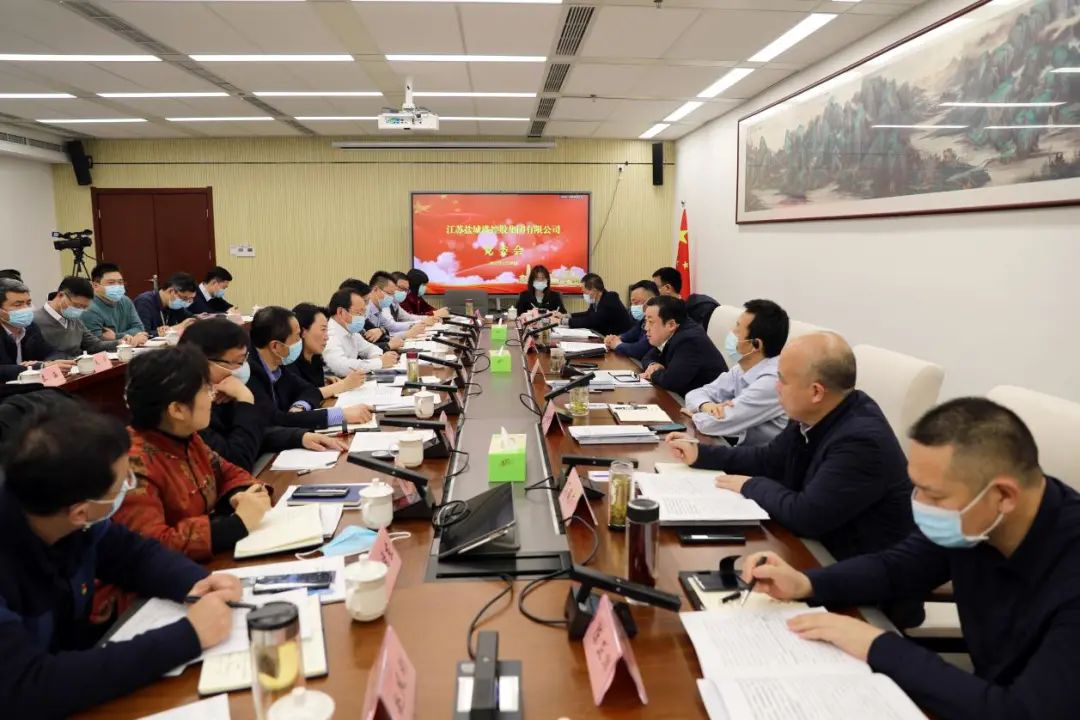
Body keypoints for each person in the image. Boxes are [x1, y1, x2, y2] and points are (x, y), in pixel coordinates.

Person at [742, 398, 1080, 720]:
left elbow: (1021, 713)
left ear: (1003, 495)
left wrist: (877, 645)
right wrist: (806, 582)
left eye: (933, 495)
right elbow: (896, 568)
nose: (919, 503)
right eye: (917, 487)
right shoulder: (979, 519)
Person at [0, 402, 241, 718]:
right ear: (80, 512)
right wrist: (188, 636)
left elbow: (132, 554)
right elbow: (29, 686)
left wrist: (196, 582)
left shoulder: (67, 515)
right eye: (122, 483)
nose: (130, 485)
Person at [666, 332, 913, 573]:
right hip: (811, 550)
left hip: (854, 575)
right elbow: (769, 459)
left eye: (783, 380)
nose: (776, 387)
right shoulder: (812, 414)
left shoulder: (861, 441)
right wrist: (702, 454)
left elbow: (806, 516)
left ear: (816, 392)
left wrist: (750, 485)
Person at [117, 346, 268, 561]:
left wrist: (240, 495)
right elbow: (149, 546)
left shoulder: (185, 436)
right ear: (177, 409)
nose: (212, 396)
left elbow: (228, 472)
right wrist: (234, 525)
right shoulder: (131, 464)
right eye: (206, 390)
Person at [179, 318, 346, 472]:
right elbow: (237, 461)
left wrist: (300, 437)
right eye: (238, 362)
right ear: (203, 362)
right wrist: (245, 400)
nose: (243, 367)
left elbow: (257, 429)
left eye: (244, 360)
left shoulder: (225, 390)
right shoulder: (188, 407)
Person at [682, 299, 789, 446]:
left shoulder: (773, 381)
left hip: (765, 459)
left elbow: (713, 424)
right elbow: (695, 394)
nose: (731, 333)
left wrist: (697, 415)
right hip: (742, 449)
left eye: (737, 329)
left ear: (756, 344)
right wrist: (707, 406)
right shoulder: (741, 368)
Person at [249, 306, 373, 431]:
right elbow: (277, 420)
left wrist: (300, 406)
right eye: (297, 337)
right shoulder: (251, 375)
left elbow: (309, 390)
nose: (300, 341)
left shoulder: (278, 366)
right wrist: (340, 415)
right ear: (276, 346)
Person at [639, 295, 727, 397]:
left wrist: (653, 373)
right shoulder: (674, 331)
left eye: (650, 322)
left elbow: (671, 381)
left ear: (671, 325)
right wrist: (653, 365)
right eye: (646, 321)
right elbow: (647, 357)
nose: (646, 328)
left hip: (711, 402)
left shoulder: (689, 340)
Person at [0, 279, 74, 382]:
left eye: (28, 303)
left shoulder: (30, 327)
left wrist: (51, 363)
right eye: (18, 305)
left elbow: (52, 352)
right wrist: (40, 366)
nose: (26, 308)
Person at [34, 276, 126, 358]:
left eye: (84, 307)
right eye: (76, 305)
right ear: (61, 295)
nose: (79, 310)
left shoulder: (75, 319)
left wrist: (121, 343)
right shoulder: (34, 321)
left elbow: (93, 345)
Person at [291, 302, 368, 397]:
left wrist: (326, 383)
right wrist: (343, 385)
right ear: (303, 332)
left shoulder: (315, 358)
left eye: (327, 330)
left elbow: (313, 388)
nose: (327, 337)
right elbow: (304, 396)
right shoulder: (290, 363)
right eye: (323, 329)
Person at [324, 288, 400, 376]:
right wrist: (379, 363)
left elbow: (370, 348)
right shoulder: (329, 334)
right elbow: (340, 367)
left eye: (363, 313)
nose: (362, 318)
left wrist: (379, 358)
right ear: (340, 312)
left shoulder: (350, 331)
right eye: (358, 313)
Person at [81, 263, 149, 346]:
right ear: (95, 286)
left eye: (120, 282)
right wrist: (130, 338)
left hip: (127, 349)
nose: (117, 286)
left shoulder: (125, 300)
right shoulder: (89, 308)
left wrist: (116, 336)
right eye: (111, 283)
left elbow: (139, 328)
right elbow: (96, 343)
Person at [652, 266, 719, 331]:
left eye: (656, 287)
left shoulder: (694, 309)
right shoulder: (662, 311)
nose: (653, 292)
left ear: (667, 288)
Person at [604, 280, 657, 360]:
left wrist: (617, 345)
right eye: (631, 303)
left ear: (652, 300)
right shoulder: (643, 319)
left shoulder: (658, 322)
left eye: (636, 303)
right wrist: (613, 339)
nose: (633, 307)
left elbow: (639, 350)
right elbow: (631, 334)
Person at [133, 272, 197, 337]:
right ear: (171, 291)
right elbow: (142, 334)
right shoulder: (144, 302)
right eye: (185, 298)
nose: (187, 302)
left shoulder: (174, 305)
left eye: (191, 298)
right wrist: (174, 328)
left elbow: (191, 319)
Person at [568, 273, 634, 336]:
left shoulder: (610, 298)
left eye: (584, 292)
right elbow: (588, 314)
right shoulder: (596, 300)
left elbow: (592, 321)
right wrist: (568, 316)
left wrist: (567, 321)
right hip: (604, 336)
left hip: (620, 339)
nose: (584, 294)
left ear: (594, 290)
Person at [368, 272, 425, 337]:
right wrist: (407, 334)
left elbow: (391, 326)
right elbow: (369, 339)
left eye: (393, 294)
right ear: (375, 289)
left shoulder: (378, 309)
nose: (391, 297)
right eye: (389, 293)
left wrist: (413, 326)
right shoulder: (366, 310)